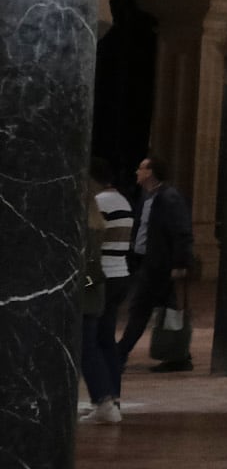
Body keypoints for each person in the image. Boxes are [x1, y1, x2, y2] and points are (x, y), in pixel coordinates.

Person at [79, 160, 139, 425]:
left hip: (98, 280)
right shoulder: (123, 201)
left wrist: (87, 288)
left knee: (88, 343)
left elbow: (90, 261)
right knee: (106, 341)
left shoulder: (96, 206)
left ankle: (103, 399)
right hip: (118, 275)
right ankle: (113, 398)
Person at [128, 155, 194, 373]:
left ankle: (118, 354)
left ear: (151, 172)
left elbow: (181, 231)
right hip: (148, 262)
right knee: (167, 309)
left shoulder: (169, 197)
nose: (137, 172)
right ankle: (179, 356)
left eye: (141, 168)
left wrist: (179, 263)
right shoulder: (147, 197)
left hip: (160, 265)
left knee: (141, 308)